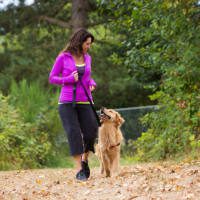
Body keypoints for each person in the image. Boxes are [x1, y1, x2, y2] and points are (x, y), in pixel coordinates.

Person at [49, 29, 98, 181]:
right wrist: (68, 79)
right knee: (73, 133)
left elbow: (87, 77)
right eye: (87, 43)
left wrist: (92, 82)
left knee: (91, 132)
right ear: (80, 42)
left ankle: (84, 160)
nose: (88, 46)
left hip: (85, 100)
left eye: (90, 44)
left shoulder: (87, 57)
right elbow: (52, 78)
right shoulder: (63, 58)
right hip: (67, 101)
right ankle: (79, 170)